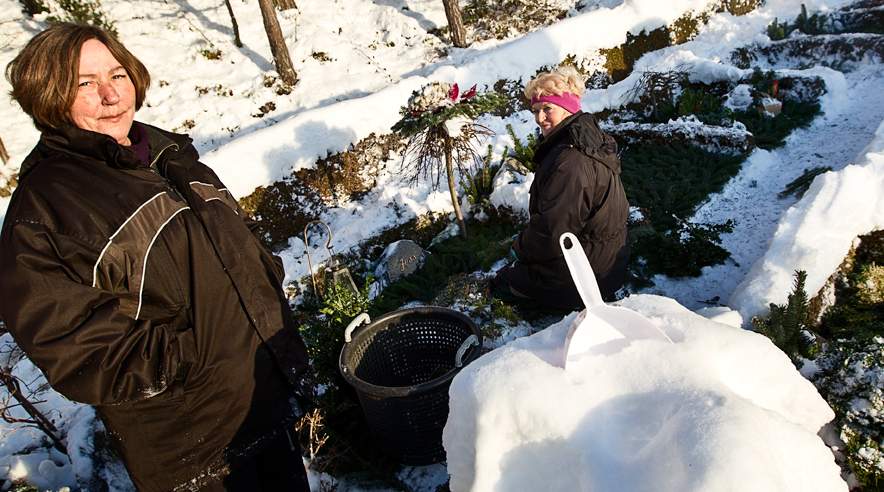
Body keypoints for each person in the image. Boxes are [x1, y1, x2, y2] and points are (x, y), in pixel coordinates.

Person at [0, 23, 311, 491]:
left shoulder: (167, 154)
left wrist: (266, 290)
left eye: (118, 74)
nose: (110, 95)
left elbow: (236, 242)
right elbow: (72, 344)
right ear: (48, 97)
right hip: (194, 446)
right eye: (85, 84)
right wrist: (190, 359)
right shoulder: (45, 208)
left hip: (263, 397)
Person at [492, 66, 629, 310]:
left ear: (567, 108)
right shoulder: (587, 140)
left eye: (547, 109)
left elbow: (554, 231)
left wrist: (519, 248)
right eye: (535, 110)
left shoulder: (571, 162)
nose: (539, 118)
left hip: (586, 278)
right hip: (607, 264)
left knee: (501, 284)